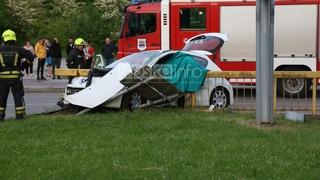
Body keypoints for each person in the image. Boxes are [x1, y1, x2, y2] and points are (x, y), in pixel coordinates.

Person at [0, 29, 35, 121]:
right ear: (14, 39)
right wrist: (23, 66)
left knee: (2, 97)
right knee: (17, 96)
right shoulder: (18, 49)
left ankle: (1, 117)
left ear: (4, 39)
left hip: (2, 78)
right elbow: (31, 57)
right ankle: (19, 117)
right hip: (16, 77)